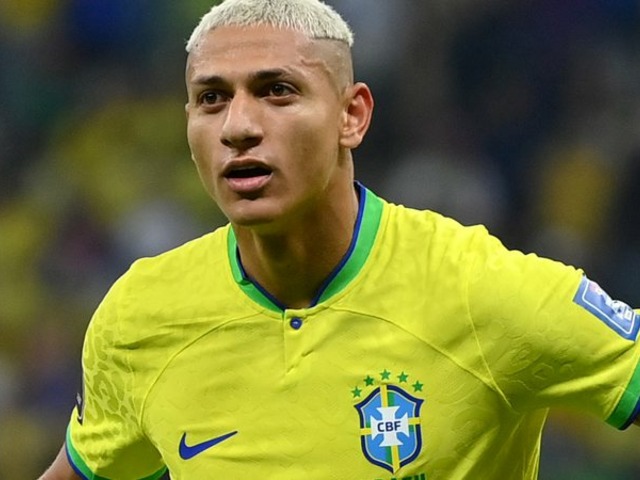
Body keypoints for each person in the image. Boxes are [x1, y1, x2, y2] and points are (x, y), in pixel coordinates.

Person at [39, 0, 640, 479]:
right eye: (211, 98)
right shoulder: (139, 317)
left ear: (352, 116)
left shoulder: (480, 291)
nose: (238, 126)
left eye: (277, 90)